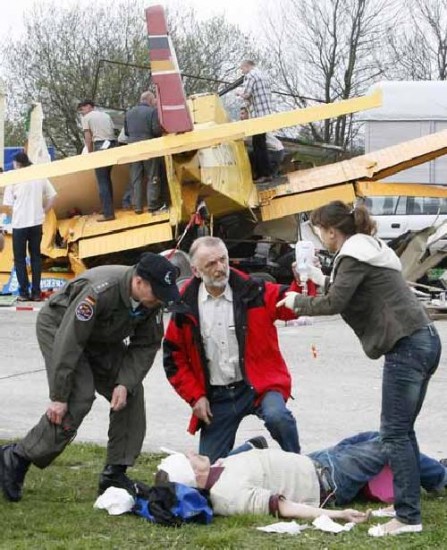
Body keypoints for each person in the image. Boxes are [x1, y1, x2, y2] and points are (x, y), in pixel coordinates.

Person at [277, 200, 442, 537]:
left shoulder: (353, 253)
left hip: (406, 344)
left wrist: (297, 301)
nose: (320, 238)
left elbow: (336, 302)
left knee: (394, 433)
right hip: (422, 338)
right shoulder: (367, 248)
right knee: (402, 431)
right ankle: (405, 506)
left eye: (320, 231)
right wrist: (316, 276)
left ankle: (408, 518)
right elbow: (346, 290)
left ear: (331, 231)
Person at [0, 252, 184, 503]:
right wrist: (59, 395)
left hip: (101, 337)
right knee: (78, 398)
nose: (161, 300)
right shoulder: (99, 291)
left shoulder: (150, 302)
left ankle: (114, 473)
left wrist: (124, 382)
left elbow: (147, 345)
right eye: (158, 292)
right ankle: (17, 458)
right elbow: (70, 340)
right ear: (139, 282)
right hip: (60, 328)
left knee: (130, 392)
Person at [163, 236, 316, 464]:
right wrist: (196, 397)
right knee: (211, 471)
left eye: (223, 260)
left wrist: (302, 279)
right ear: (195, 271)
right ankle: (252, 450)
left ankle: (299, 466)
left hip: (258, 386)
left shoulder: (253, 290)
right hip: (217, 397)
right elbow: (173, 360)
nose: (220, 268)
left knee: (278, 417)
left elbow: (292, 306)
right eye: (211, 264)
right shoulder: (185, 306)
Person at [156, 431, 447, 524]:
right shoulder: (228, 496)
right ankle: (443, 479)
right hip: (329, 482)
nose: (194, 452)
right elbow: (282, 507)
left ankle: (437, 474)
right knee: (390, 439)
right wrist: (337, 515)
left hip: (317, 461)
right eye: (190, 457)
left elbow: (259, 444)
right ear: (194, 472)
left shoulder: (219, 468)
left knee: (373, 435)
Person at [3, 152, 57, 301]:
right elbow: (53, 196)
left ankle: (24, 293)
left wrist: (11, 217)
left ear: (17, 164)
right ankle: (36, 293)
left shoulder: (14, 178)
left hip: (20, 224)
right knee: (36, 258)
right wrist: (44, 210)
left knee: (19, 259)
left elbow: (7, 205)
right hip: (36, 223)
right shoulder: (38, 175)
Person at [124, 91, 163, 213]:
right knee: (153, 176)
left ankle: (137, 206)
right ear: (150, 100)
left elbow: (126, 132)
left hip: (132, 148)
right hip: (148, 147)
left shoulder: (129, 113)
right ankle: (152, 205)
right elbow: (156, 130)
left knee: (136, 178)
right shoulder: (152, 112)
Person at [78, 100, 117, 222]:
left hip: (100, 146)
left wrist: (90, 154)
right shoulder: (106, 115)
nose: (82, 112)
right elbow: (113, 131)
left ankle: (108, 213)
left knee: (102, 180)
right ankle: (108, 208)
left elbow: (88, 137)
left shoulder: (87, 118)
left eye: (82, 109)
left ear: (89, 107)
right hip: (112, 144)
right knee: (107, 178)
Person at [238, 60, 274, 183]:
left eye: (242, 69)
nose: (242, 72)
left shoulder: (251, 75)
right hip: (266, 114)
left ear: (247, 66)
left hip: (258, 115)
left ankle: (263, 174)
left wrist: (238, 93)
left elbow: (246, 94)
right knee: (261, 143)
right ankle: (265, 173)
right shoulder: (264, 75)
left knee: (258, 146)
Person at [240, 106, 285, 177]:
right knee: (252, 154)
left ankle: (265, 175)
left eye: (243, 114)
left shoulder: (253, 125)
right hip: (271, 150)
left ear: (248, 114)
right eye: (240, 114)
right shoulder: (249, 126)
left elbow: (245, 140)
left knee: (255, 156)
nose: (240, 116)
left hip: (275, 152)